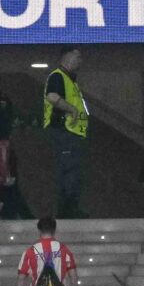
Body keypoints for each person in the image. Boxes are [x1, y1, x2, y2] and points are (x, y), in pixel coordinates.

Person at [41, 47, 87, 216]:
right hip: (64, 130)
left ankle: (70, 208)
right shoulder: (58, 76)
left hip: (71, 132)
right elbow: (52, 97)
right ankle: (68, 210)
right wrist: (72, 110)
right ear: (67, 57)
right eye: (78, 56)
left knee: (73, 171)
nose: (80, 60)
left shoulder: (70, 80)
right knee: (69, 172)